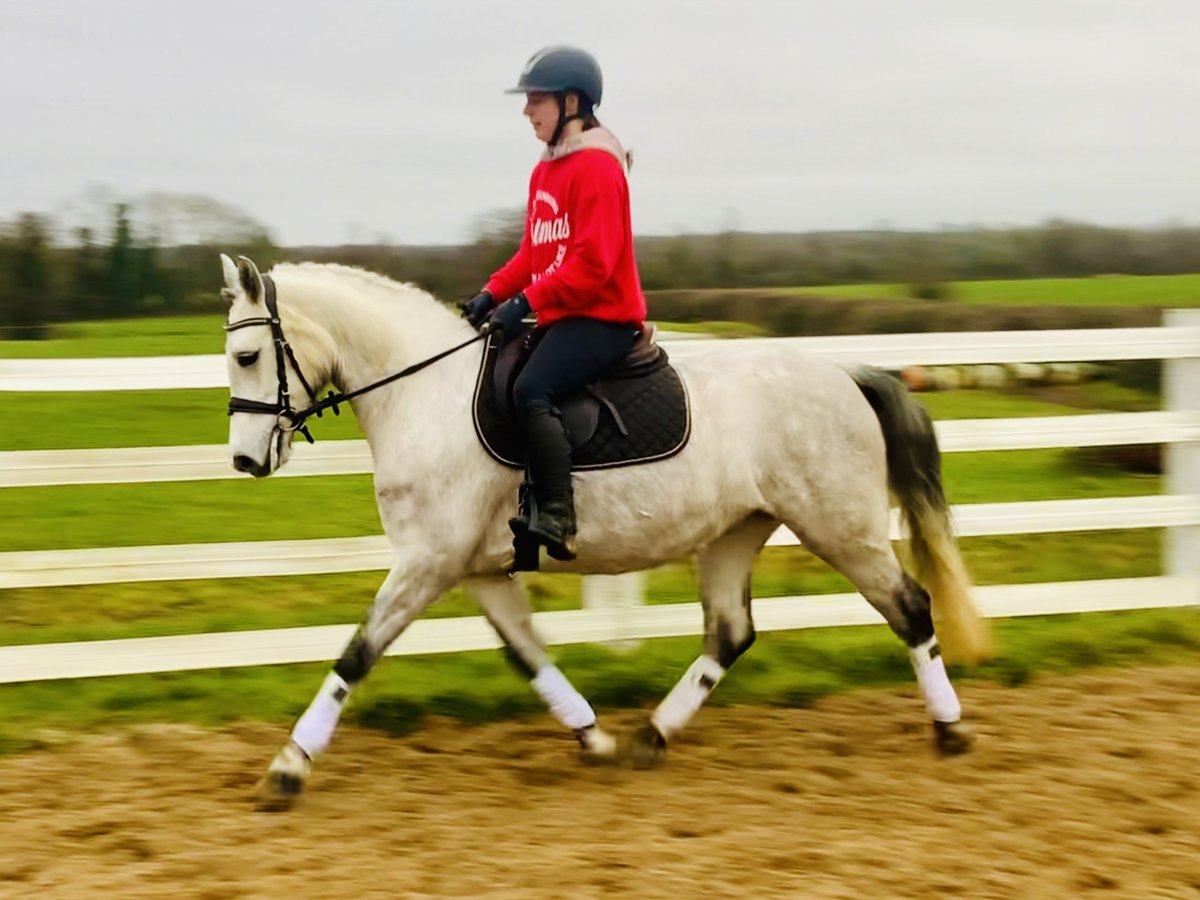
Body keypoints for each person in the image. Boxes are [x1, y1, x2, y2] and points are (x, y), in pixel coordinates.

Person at [461, 46, 647, 562]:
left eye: (536, 100)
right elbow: (534, 251)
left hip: (603, 316)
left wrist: (525, 302)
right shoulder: (547, 170)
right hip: (565, 311)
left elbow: (594, 266)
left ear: (571, 102)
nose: (527, 111)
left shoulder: (597, 169)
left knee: (532, 387)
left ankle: (557, 513)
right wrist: (492, 293)